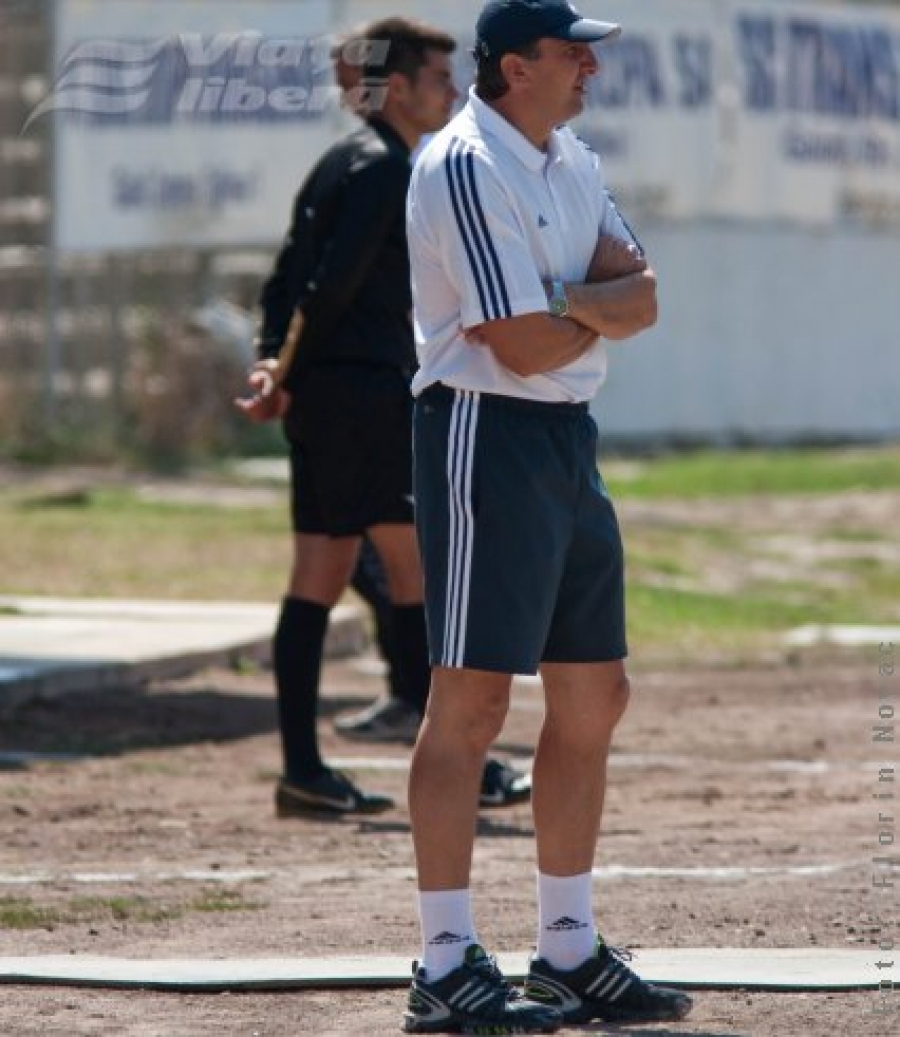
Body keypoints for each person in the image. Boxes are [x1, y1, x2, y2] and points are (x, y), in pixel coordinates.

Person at [401, 1, 695, 1032]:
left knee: (594, 692)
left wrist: (560, 301)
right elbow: (513, 346)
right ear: (516, 66)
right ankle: (443, 963)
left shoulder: (568, 156)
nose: (591, 70)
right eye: (576, 53)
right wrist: (586, 306)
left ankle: (565, 946)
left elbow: (646, 296)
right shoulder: (463, 163)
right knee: (471, 702)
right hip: (485, 430)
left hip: (565, 438)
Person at [236, 17, 457, 818]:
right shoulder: (383, 169)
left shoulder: (345, 161)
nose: (454, 91)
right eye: (439, 78)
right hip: (361, 396)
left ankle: (303, 769)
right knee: (416, 573)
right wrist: (280, 370)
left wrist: (275, 364)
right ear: (396, 87)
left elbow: (285, 281)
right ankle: (457, 759)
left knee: (323, 575)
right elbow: (324, 287)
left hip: (329, 396)